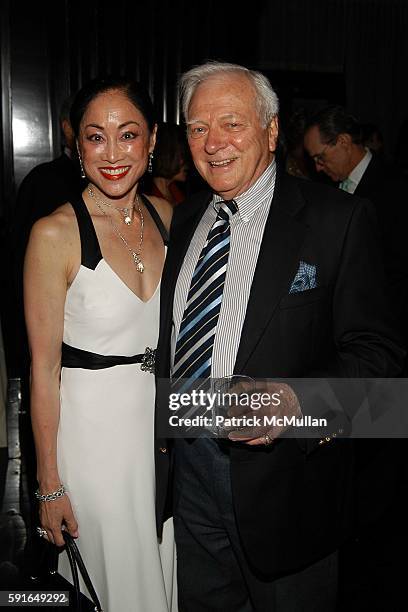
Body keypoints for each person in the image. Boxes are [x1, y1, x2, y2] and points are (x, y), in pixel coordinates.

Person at [155, 61, 404, 611]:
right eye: (197, 128)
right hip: (188, 475)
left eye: (232, 124)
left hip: (289, 490)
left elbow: (382, 365)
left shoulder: (339, 219)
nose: (212, 142)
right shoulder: (186, 216)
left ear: (270, 132)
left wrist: (297, 404)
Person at [24, 76, 176, 611]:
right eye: (95, 137)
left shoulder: (169, 218)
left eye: (128, 134)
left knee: (162, 568)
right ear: (76, 145)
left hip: (160, 440)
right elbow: (42, 371)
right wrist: (48, 484)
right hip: (93, 444)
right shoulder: (54, 234)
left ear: (152, 140)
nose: (112, 154)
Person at [143, 122, 190, 206]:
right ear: (166, 156)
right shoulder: (148, 199)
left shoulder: (175, 191)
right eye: (182, 155)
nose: (187, 162)